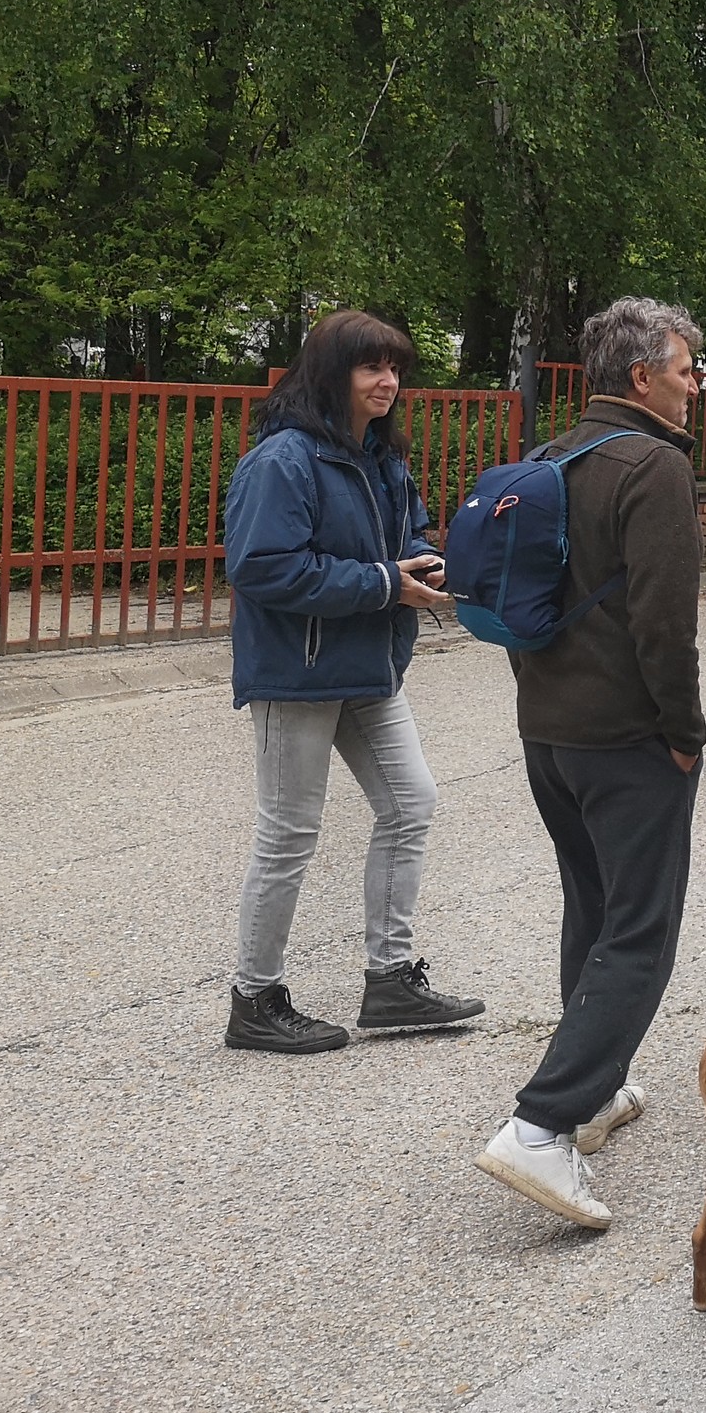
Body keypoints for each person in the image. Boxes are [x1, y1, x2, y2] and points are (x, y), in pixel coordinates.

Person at [474, 297, 706, 1231]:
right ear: (642, 377)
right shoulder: (654, 467)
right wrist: (684, 731)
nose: (695, 387)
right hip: (627, 741)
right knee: (641, 930)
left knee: (594, 907)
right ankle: (542, 1124)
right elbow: (665, 624)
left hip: (549, 735)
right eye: (686, 371)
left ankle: (597, 1090)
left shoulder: (551, 457)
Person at [221, 310, 484, 1054]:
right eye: (372, 367)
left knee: (411, 803)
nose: (389, 381)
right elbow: (262, 567)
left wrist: (427, 565)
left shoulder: (381, 458)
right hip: (298, 674)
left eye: (395, 368)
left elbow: (407, 537)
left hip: (371, 668)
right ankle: (254, 999)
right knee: (289, 835)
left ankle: (391, 979)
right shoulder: (283, 461)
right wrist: (385, 583)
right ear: (332, 374)